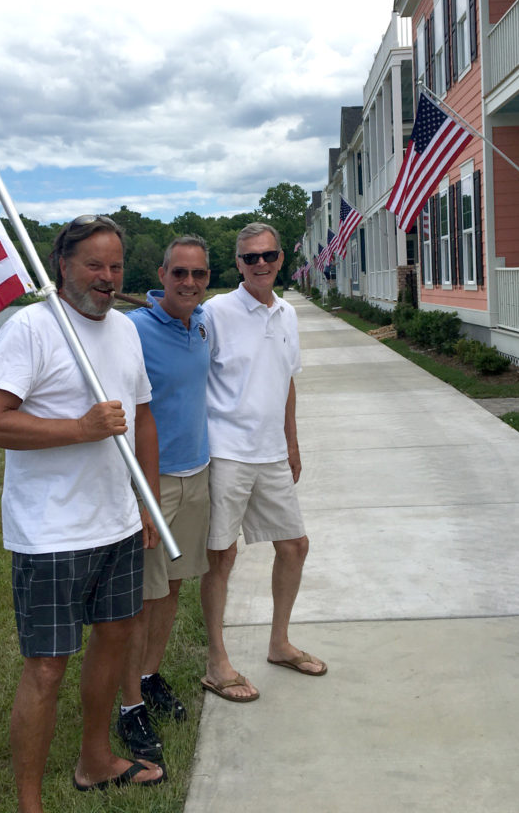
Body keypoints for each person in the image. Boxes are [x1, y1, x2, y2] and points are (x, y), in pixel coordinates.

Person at [0, 215, 165, 813]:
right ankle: (29, 802)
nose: (107, 278)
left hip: (117, 522)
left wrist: (149, 504)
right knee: (48, 667)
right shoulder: (30, 328)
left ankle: (95, 759)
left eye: (115, 266)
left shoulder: (127, 331)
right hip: (49, 532)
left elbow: (144, 418)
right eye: (94, 266)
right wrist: (79, 429)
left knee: (114, 642)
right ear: (64, 267)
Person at [199, 222, 326, 703]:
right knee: (222, 555)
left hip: (272, 452)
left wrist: (291, 443)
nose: (260, 265)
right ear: (238, 264)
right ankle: (217, 660)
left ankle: (279, 643)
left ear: (279, 259)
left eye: (268, 255)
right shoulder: (216, 312)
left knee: (294, 545)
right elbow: (194, 378)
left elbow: (287, 380)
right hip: (226, 451)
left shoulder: (287, 315)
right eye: (250, 258)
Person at [117, 235, 211, 751]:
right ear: (161, 274)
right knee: (140, 601)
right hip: (151, 484)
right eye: (180, 273)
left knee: (172, 589)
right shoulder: (133, 330)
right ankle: (128, 706)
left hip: (197, 474)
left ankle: (150, 677)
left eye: (198, 274)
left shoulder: (200, 324)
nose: (189, 282)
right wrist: (140, 494)